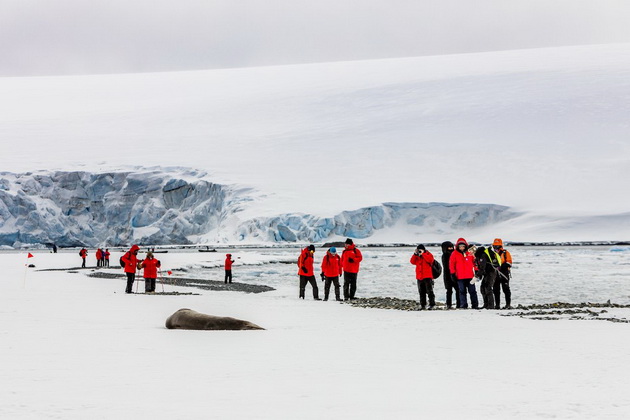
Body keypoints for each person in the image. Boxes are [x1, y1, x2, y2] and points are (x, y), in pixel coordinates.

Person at [449, 238, 479, 309]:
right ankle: (464, 305)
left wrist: (476, 270)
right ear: (458, 247)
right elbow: (451, 264)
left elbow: (475, 262)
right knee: (462, 292)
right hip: (460, 277)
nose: (462, 248)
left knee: (473, 291)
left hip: (470, 276)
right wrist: (452, 274)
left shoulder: (470, 253)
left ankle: (475, 305)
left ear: (465, 246)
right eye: (460, 246)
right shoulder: (454, 254)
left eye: (463, 246)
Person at [410, 244, 436, 310]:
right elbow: (412, 262)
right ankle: (423, 305)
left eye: (420, 250)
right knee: (421, 292)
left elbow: (430, 260)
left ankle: (432, 304)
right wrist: (415, 254)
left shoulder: (428, 254)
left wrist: (423, 254)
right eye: (418, 250)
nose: (419, 251)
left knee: (430, 291)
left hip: (427, 276)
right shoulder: (417, 256)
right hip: (419, 276)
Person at [492, 238, 513, 309]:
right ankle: (497, 305)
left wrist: (501, 266)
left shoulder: (505, 253)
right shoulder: (492, 254)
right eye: (495, 246)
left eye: (497, 246)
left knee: (506, 289)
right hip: (495, 274)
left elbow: (509, 262)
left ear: (500, 246)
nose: (496, 247)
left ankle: (508, 304)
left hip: (504, 274)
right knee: (496, 290)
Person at [440, 241, 460, 309]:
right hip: (447, 276)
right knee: (449, 291)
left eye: (452, 247)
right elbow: (446, 266)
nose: (451, 248)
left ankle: (459, 304)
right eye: (449, 247)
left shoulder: (455, 254)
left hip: (455, 274)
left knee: (458, 290)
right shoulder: (444, 256)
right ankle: (449, 304)